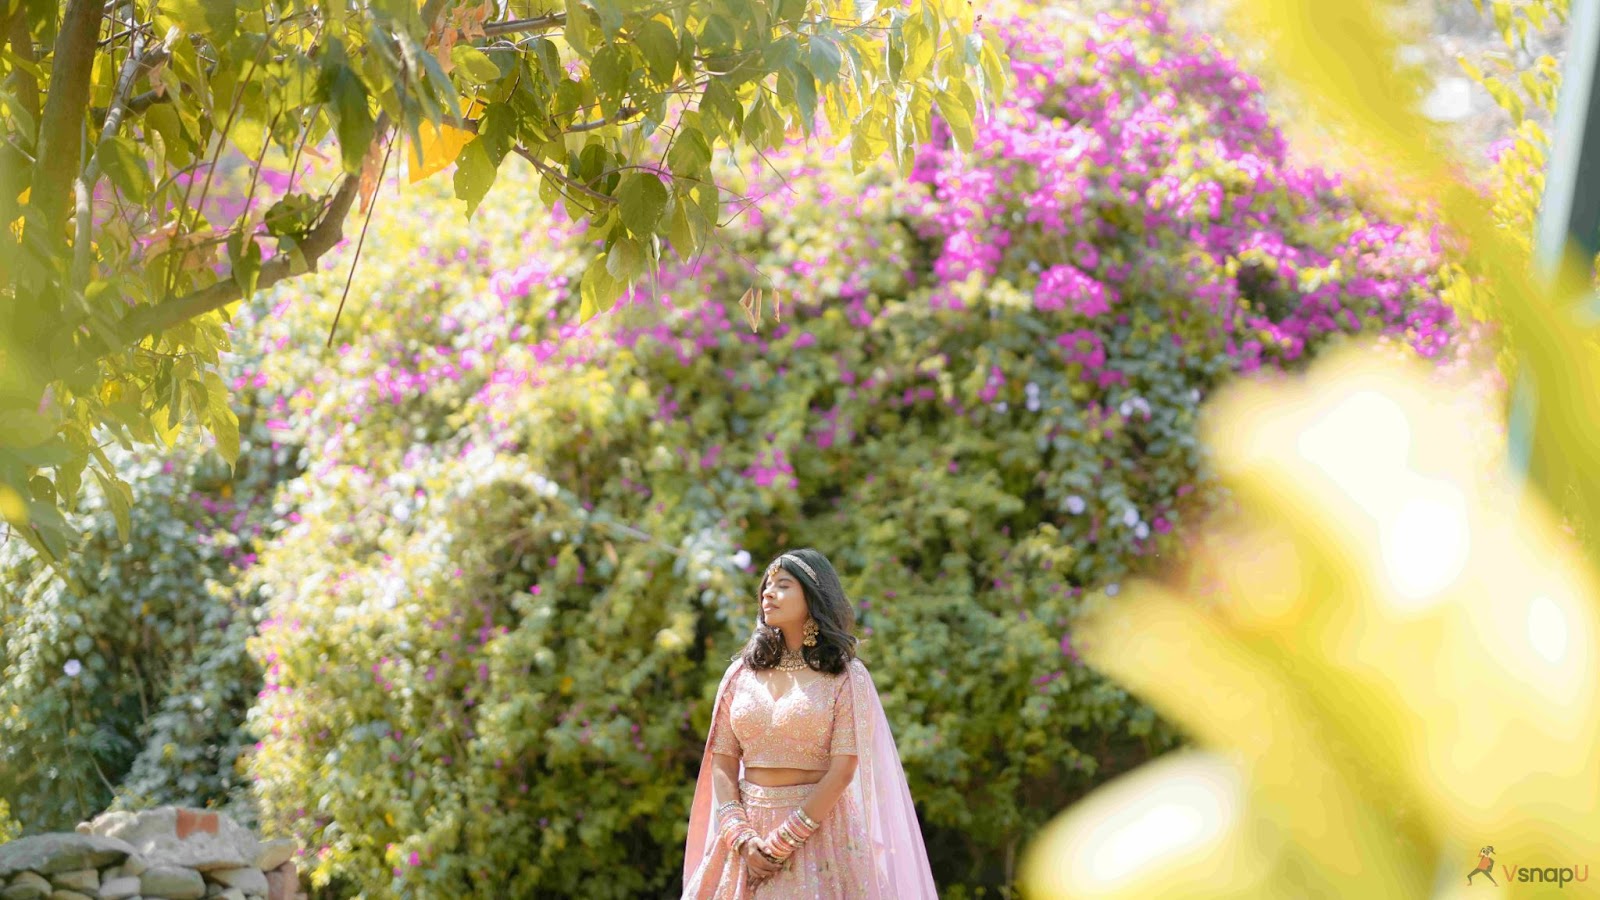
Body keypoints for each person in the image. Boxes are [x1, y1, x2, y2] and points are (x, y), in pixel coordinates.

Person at [682, 549, 938, 898]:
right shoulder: (740, 674)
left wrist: (784, 840)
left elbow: (843, 770)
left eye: (782, 585)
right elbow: (723, 762)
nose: (767, 593)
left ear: (813, 596)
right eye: (766, 587)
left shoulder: (845, 677)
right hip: (745, 838)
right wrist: (741, 837)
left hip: (820, 836)